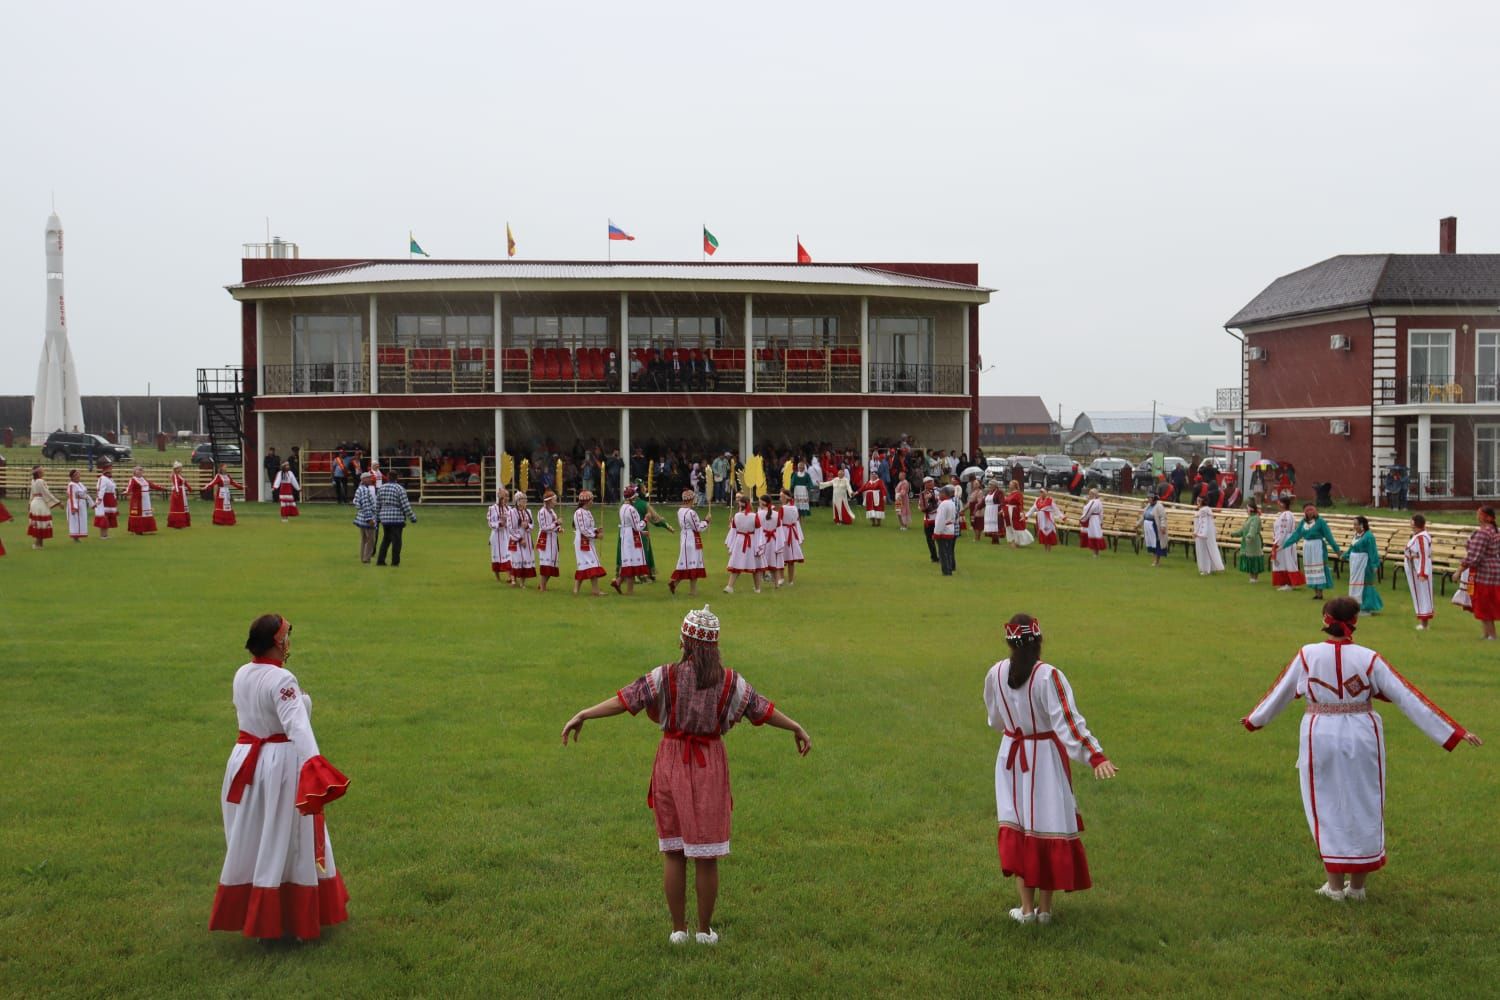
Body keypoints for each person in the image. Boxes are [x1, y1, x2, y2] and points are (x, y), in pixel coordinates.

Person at [561, 606, 810, 945]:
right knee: (707, 855)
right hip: (710, 765)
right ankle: (705, 931)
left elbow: (626, 699)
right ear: (714, 646)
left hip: (671, 764)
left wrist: (584, 714)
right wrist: (795, 726)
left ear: (685, 642)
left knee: (674, 851)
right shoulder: (730, 681)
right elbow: (761, 708)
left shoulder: (666, 676)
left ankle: (679, 930)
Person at [1240, 597, 1482, 901]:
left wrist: (1254, 719)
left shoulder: (1307, 655)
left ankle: (1335, 887)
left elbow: (1281, 692)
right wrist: (1453, 731)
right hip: (1362, 733)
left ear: (1325, 619)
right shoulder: (1368, 658)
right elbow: (1408, 696)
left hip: (1320, 733)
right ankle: (1357, 888)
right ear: (1355, 621)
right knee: (1365, 801)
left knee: (1325, 802)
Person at [209, 614, 350, 940]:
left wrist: (302, 703)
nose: (289, 642)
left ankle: (263, 918)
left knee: (257, 833)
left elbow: (258, 711)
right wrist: (315, 765)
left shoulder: (242, 673)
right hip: (279, 766)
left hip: (245, 761)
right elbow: (295, 727)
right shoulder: (283, 680)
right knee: (289, 837)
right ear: (278, 641)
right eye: (287, 636)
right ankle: (289, 922)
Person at [984, 614, 1116, 925]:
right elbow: (1069, 723)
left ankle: (1026, 910)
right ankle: (1044, 910)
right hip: (1043, 757)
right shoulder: (1049, 676)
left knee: (1019, 826)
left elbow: (995, 720)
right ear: (1039, 641)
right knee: (1045, 825)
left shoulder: (996, 672)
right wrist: (1095, 756)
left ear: (1009, 643)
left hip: (1011, 758)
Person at [1278, 505, 1341, 600]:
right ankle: (1315, 592)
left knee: (1319, 568)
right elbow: (1296, 535)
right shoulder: (1303, 522)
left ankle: (1320, 592)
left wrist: (1337, 551)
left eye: (1311, 510)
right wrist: (1284, 545)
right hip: (1307, 547)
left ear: (1315, 511)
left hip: (1317, 546)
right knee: (1311, 568)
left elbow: (1329, 536)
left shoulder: (1320, 522)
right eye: (1307, 510)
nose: (1309, 512)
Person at [1460, 505, 1500, 640]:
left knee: (1484, 602)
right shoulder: (1494, 531)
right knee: (1485, 602)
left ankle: (1492, 635)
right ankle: (1486, 633)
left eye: (1480, 514)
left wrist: (1459, 570)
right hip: (1493, 569)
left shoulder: (1484, 533)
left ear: (1488, 517)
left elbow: (1474, 556)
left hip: (1484, 572)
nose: (1478, 516)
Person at [669, 489, 711, 596]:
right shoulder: (691, 512)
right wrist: (706, 521)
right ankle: (692, 590)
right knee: (693, 564)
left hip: (684, 537)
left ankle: (676, 582)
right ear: (691, 499)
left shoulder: (680, 511)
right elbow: (697, 527)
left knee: (686, 563)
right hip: (692, 539)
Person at [613, 485, 649, 596]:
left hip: (625, 535)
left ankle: (619, 582)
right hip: (631, 538)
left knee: (628, 561)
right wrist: (645, 520)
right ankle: (629, 590)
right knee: (631, 563)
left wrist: (642, 532)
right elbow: (637, 526)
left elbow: (631, 525)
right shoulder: (631, 509)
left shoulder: (622, 508)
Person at [722, 494, 762, 594]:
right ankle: (757, 589)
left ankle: (730, 586)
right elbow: (759, 531)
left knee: (736, 564)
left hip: (740, 541)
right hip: (751, 541)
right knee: (755, 566)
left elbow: (732, 531)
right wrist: (759, 545)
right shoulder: (754, 516)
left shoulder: (736, 516)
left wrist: (730, 545)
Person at [375, 473, 416, 566]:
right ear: (397, 478)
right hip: (396, 518)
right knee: (396, 541)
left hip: (384, 518)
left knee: (386, 539)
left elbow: (377, 505)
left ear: (388, 477)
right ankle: (395, 562)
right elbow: (405, 505)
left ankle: (380, 560)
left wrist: (377, 517)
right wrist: (412, 517)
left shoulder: (381, 488)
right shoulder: (400, 489)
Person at [572, 491, 608, 596]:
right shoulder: (579, 512)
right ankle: (592, 590)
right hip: (583, 541)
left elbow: (589, 528)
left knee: (588, 565)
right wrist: (596, 536)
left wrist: (596, 530)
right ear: (586, 501)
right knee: (589, 564)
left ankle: (584, 589)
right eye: (591, 500)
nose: (593, 502)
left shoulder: (587, 512)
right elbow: (583, 529)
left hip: (588, 540)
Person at [1346, 516, 1384, 614]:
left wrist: (1375, 564)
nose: (1354, 526)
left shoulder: (1368, 536)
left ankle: (1367, 607)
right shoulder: (1356, 535)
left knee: (1366, 584)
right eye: (1353, 524)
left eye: (1356, 524)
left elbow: (1373, 551)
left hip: (1364, 563)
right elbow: (1352, 548)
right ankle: (1357, 605)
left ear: (1362, 525)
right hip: (1355, 564)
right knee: (1355, 584)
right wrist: (1345, 555)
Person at [1403, 514, 1434, 630]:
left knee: (1423, 594)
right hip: (1413, 566)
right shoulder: (1417, 536)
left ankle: (1424, 623)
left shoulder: (1421, 537)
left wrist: (1422, 573)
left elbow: (1424, 556)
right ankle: (1422, 621)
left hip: (1419, 568)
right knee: (1418, 594)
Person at [1269, 496, 1304, 591]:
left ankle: (1288, 583)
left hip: (1284, 541)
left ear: (1283, 504)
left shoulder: (1285, 515)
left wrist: (1278, 543)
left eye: (1279, 503)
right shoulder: (1287, 514)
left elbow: (1283, 530)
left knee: (1286, 561)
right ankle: (1287, 583)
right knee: (1286, 561)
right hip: (1287, 540)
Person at [123, 466, 166, 535]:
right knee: (137, 514)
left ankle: (148, 529)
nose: (140, 471)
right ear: (134, 472)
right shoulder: (133, 479)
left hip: (146, 499)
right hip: (137, 500)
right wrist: (127, 492)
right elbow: (129, 487)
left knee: (147, 513)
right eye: (138, 470)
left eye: (141, 470)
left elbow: (152, 485)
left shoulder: (144, 479)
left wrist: (162, 488)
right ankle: (137, 530)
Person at [508, 493, 537, 588]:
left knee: (526, 559)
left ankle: (522, 583)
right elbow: (511, 528)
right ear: (517, 501)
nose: (525, 501)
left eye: (526, 500)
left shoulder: (528, 511)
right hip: (516, 539)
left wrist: (527, 526)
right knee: (516, 559)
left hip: (527, 538)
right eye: (523, 500)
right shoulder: (512, 512)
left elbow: (532, 525)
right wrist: (520, 539)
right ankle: (513, 579)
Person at [535, 490, 563, 591]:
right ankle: (543, 587)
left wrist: (559, 528)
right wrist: (556, 523)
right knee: (546, 564)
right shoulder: (542, 512)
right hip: (545, 541)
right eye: (554, 500)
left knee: (552, 564)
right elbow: (544, 527)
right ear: (549, 501)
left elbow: (554, 525)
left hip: (553, 540)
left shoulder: (552, 512)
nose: (556, 502)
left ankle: (542, 584)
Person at [1192, 496, 1225, 574]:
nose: (1197, 503)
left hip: (1203, 534)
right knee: (1209, 549)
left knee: (1203, 552)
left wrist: (1196, 533)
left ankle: (1205, 569)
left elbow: (1202, 523)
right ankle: (1212, 567)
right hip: (1207, 534)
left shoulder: (1203, 511)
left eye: (1198, 501)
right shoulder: (1207, 509)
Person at [1234, 502, 1265, 583]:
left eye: (1247, 508)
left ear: (1251, 509)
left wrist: (1250, 535)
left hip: (1254, 541)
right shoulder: (1249, 518)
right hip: (1247, 542)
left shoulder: (1256, 518)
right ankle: (1251, 577)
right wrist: (1234, 534)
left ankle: (1255, 578)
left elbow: (1253, 528)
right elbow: (1243, 530)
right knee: (1249, 558)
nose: (1246, 510)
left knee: (1255, 558)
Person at [778, 490, 804, 585]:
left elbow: (779, 522)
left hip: (785, 532)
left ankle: (781, 578)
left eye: (781, 496)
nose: (780, 498)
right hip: (792, 533)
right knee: (790, 558)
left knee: (781, 555)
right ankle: (790, 580)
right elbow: (796, 522)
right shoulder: (794, 508)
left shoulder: (783, 508)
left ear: (786, 497)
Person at [1138, 491, 1169, 568]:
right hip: (1148, 527)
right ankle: (1154, 560)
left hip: (1155, 527)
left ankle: (1157, 561)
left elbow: (1163, 517)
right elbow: (1143, 516)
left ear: (1154, 498)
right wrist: (1138, 524)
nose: (1148, 499)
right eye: (1148, 497)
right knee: (1151, 543)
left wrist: (1163, 526)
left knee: (1157, 543)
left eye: (1150, 498)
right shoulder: (1148, 506)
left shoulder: (1159, 506)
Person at [353, 473, 378, 564]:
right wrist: (369, 519)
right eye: (368, 478)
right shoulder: (364, 490)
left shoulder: (359, 489)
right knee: (370, 539)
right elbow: (366, 505)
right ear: (363, 479)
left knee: (364, 539)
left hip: (360, 517)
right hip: (366, 518)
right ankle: (366, 558)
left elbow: (356, 502)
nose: (370, 480)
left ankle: (363, 557)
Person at [487, 487, 511, 581]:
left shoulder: (509, 509)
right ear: (500, 496)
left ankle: (510, 576)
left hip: (507, 534)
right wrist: (499, 523)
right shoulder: (492, 508)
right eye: (505, 496)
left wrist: (507, 521)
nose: (507, 498)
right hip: (496, 535)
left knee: (509, 554)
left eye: (508, 496)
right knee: (496, 555)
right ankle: (497, 577)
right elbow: (490, 523)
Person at [934, 485, 958, 576]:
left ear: (944, 494)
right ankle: (949, 568)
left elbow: (940, 520)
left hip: (944, 530)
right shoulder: (951, 503)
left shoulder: (943, 504)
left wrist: (937, 532)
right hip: (950, 529)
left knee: (943, 552)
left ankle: (946, 571)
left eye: (940, 493)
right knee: (948, 551)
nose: (939, 495)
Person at [64, 469, 93, 541]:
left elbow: (85, 494)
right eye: (77, 474)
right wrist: (73, 507)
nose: (79, 476)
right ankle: (75, 537)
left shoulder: (80, 484)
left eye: (79, 474)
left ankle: (78, 535)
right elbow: (71, 496)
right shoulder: (71, 485)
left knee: (81, 520)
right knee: (75, 520)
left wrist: (91, 503)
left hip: (82, 504)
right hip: (75, 503)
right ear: (73, 477)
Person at [1004, 481, 1034, 548]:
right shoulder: (1010, 494)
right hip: (1009, 512)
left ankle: (1017, 542)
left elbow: (1020, 504)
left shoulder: (1018, 494)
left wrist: (1021, 512)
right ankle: (1012, 541)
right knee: (1010, 526)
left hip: (1015, 512)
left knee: (1016, 527)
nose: (1009, 486)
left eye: (1010, 484)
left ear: (1015, 486)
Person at [93, 459, 118, 539]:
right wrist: (100, 499)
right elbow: (101, 489)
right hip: (104, 499)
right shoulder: (102, 478)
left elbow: (113, 489)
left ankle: (105, 534)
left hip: (110, 498)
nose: (111, 470)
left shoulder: (110, 479)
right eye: (110, 468)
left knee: (108, 517)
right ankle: (102, 535)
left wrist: (114, 498)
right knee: (104, 516)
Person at [1078, 489, 1106, 557]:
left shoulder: (1093, 502)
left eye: (1090, 494)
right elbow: (1101, 513)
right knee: (1097, 534)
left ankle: (1095, 553)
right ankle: (1096, 552)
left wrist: (1082, 519)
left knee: (1093, 535)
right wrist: (1101, 521)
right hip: (1097, 520)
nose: (1089, 495)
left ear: (1093, 495)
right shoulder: (1099, 502)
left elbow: (1087, 511)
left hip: (1093, 520)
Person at [919, 477, 939, 561]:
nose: (931, 484)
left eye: (931, 482)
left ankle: (941, 555)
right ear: (925, 484)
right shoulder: (922, 494)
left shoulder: (937, 491)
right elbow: (921, 506)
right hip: (928, 518)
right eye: (928, 483)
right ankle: (934, 556)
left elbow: (939, 501)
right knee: (929, 539)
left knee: (938, 538)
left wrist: (933, 498)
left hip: (937, 517)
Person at [168, 461, 192, 529]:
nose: (181, 469)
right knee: (178, 508)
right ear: (176, 469)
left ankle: (183, 523)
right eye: (180, 468)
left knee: (182, 507)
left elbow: (184, 482)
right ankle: (177, 523)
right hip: (178, 492)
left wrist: (189, 488)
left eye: (181, 468)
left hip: (182, 492)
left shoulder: (180, 475)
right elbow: (175, 484)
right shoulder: (174, 475)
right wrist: (177, 492)